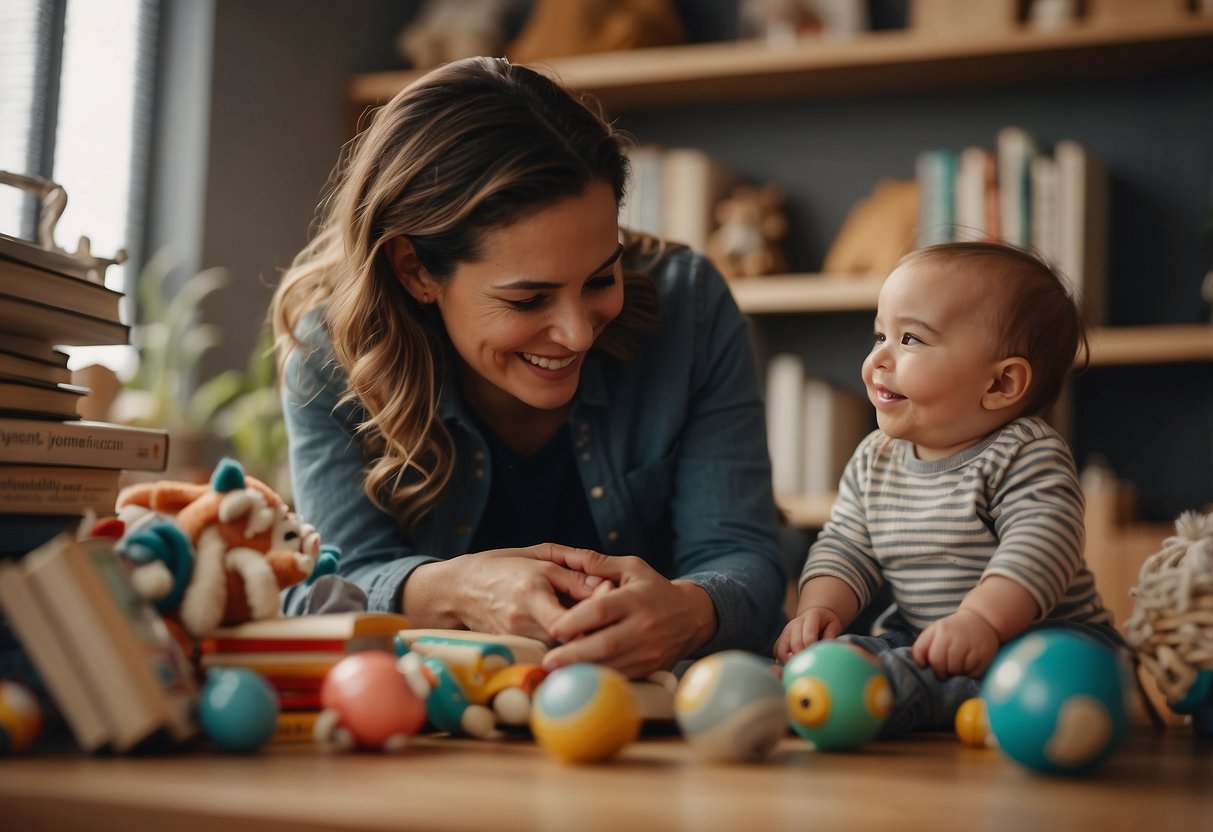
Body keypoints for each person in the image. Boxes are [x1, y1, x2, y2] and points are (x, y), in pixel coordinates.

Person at [270, 56, 786, 680]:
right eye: (528, 299)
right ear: (416, 270)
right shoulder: (332, 352)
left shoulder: (690, 310)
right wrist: (454, 589)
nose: (575, 333)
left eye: (601, 278)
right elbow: (332, 585)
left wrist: (689, 609)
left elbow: (743, 557)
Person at [775, 241, 1119, 734]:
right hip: (925, 638)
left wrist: (982, 621)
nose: (878, 360)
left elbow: (1041, 543)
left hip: (1043, 641)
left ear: (1001, 385)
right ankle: (829, 680)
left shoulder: (1024, 451)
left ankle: (850, 696)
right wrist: (818, 610)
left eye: (910, 339)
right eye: (879, 336)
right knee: (858, 649)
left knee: (1013, 670)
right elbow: (846, 545)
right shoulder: (875, 458)